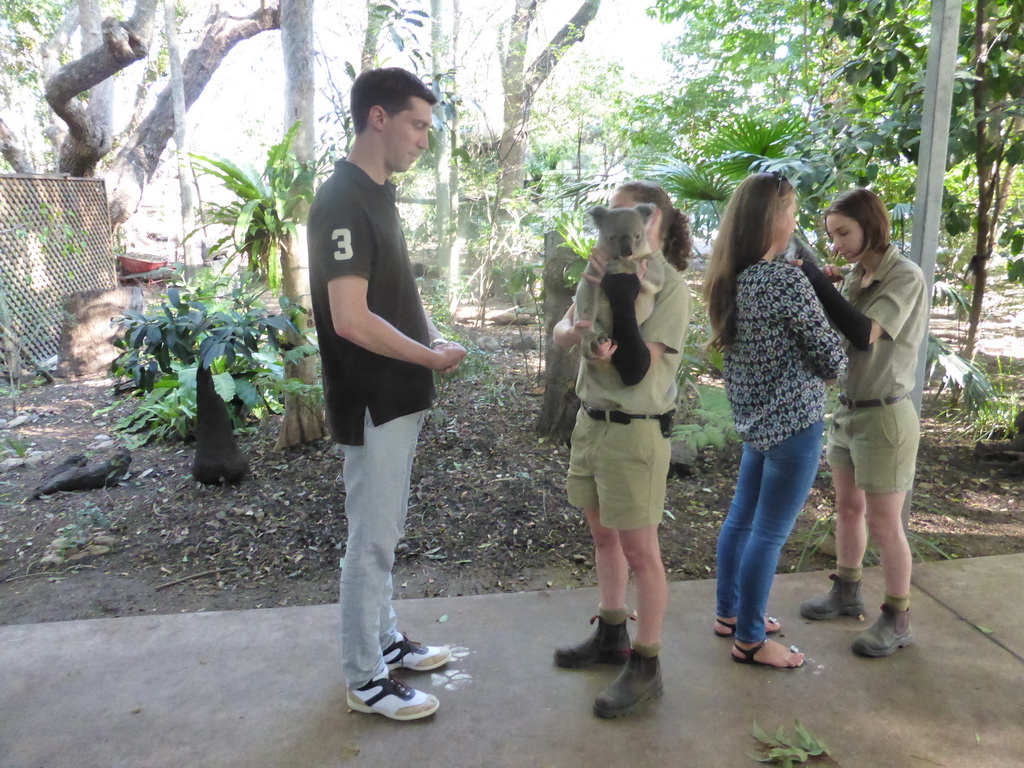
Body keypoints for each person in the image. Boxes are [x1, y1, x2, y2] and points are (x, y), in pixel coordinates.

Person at [307, 67, 468, 721]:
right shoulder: (341, 201)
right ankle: (364, 677)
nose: (424, 140)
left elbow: (396, 291)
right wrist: (429, 354)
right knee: (370, 541)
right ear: (378, 117)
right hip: (373, 396)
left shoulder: (379, 194)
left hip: (401, 394)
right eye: (417, 124)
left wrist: (433, 334)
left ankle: (385, 639)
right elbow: (349, 317)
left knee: (386, 530)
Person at [552, 180, 692, 718]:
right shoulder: (598, 270)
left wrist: (620, 299)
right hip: (591, 424)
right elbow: (564, 329)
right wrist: (573, 331)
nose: (618, 231)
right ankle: (612, 635)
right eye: (611, 219)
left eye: (629, 219)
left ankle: (647, 663)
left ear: (652, 222)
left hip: (635, 430)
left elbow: (636, 368)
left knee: (642, 554)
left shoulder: (670, 288)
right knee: (603, 538)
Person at [704, 172, 846, 669]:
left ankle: (729, 614)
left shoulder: (730, 278)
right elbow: (833, 360)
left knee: (742, 520)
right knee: (768, 533)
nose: (795, 221)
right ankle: (749, 639)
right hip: (794, 428)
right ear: (773, 219)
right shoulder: (785, 280)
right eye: (791, 211)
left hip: (755, 426)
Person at [795, 187, 927, 657]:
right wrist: (826, 286)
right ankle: (846, 590)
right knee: (848, 508)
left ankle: (898, 616)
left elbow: (864, 334)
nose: (836, 244)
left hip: (886, 415)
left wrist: (821, 283)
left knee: (886, 522)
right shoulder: (856, 275)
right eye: (831, 235)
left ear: (872, 225)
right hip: (849, 410)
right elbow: (836, 334)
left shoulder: (904, 276)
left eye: (844, 233)